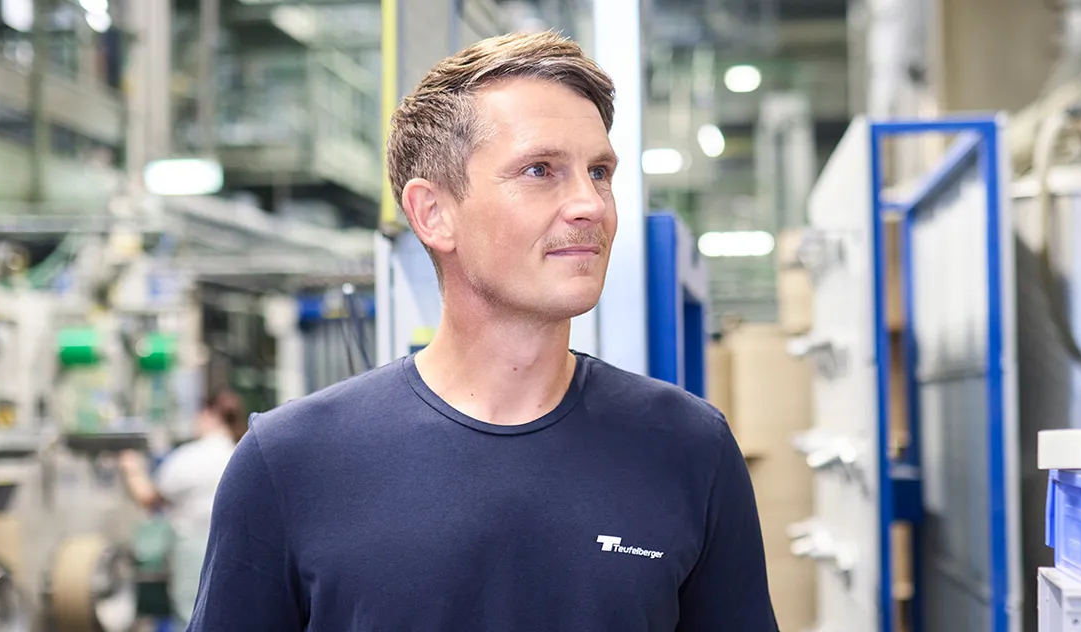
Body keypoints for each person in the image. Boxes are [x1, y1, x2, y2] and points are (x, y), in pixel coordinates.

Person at [188, 31, 778, 631]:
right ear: (433, 213)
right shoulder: (290, 464)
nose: (591, 205)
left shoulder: (688, 448)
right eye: (540, 170)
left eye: (599, 172)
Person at [118, 390, 246, 628]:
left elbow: (150, 498)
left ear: (209, 414)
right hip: (235, 548)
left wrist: (131, 467)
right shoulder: (241, 453)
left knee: (191, 614)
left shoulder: (190, 457)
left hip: (193, 549)